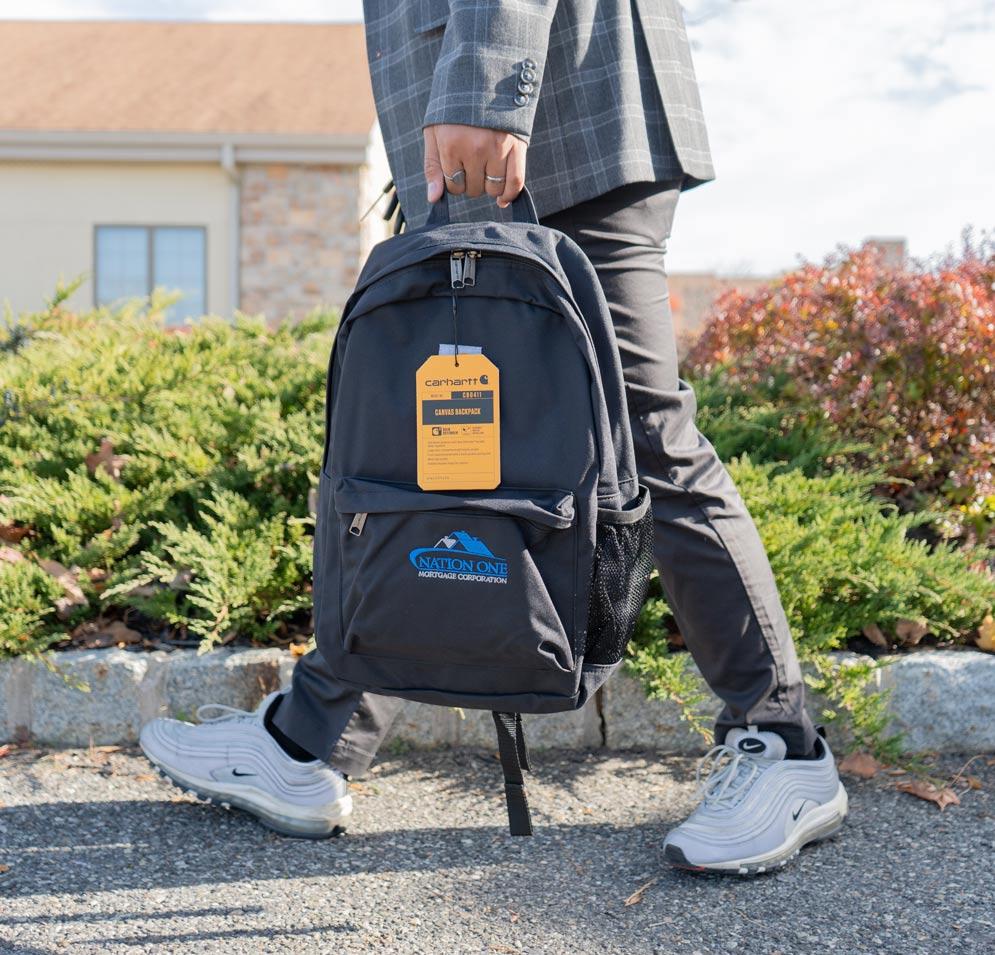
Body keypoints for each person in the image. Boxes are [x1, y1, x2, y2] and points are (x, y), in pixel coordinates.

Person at [141, 0, 848, 874]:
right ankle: (308, 743)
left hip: (550, 118)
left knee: (640, 433)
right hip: (473, 137)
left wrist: (487, 87)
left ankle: (784, 745)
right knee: (440, 453)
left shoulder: (503, 101)